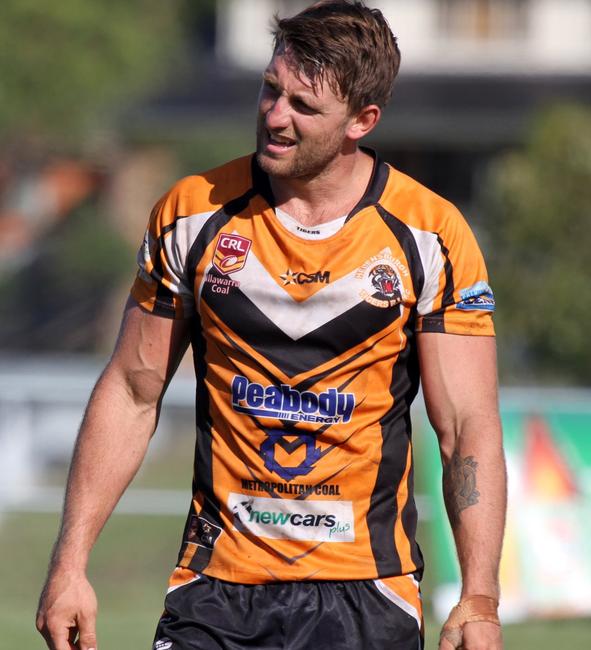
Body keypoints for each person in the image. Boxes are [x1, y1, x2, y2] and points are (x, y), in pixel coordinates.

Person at [36, 2, 506, 649]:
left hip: (366, 592)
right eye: (270, 89)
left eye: (304, 107)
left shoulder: (429, 234)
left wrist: (479, 598)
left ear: (361, 121)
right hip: (215, 591)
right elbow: (131, 390)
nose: (275, 116)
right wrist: (69, 564)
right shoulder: (192, 214)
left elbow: (466, 427)